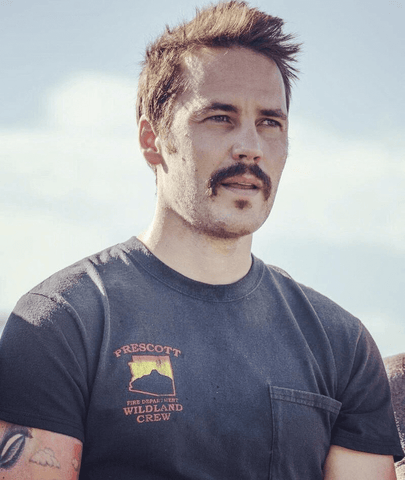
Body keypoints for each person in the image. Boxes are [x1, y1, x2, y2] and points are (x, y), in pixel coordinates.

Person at [0, 1, 402, 479]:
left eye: (270, 122)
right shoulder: (63, 322)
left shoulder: (341, 343)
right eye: (219, 117)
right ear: (152, 140)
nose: (250, 146)